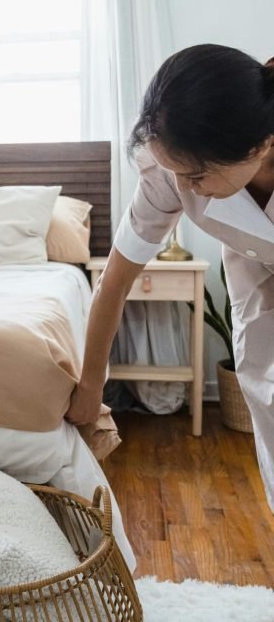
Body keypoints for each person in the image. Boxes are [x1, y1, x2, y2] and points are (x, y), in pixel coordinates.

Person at [66, 44, 274, 512]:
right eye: (175, 171)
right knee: (263, 383)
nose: (184, 188)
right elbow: (115, 282)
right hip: (253, 263)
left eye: (196, 176)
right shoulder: (168, 173)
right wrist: (89, 390)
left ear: (260, 145)